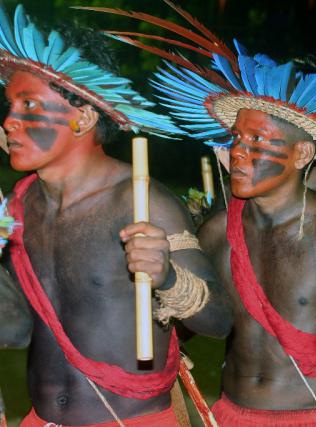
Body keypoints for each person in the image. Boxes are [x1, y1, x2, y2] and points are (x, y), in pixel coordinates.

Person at [86, 6, 316, 424]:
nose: (239, 152)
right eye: (236, 138)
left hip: (312, 416)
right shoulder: (216, 230)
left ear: (302, 153)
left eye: (258, 140)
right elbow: (192, 318)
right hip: (231, 413)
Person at [0, 5, 232, 425]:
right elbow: (13, 331)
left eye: (28, 104)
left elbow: (219, 321)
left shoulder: (141, 201)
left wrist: (168, 277)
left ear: (84, 117)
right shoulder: (17, 207)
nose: (10, 121)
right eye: (10, 105)